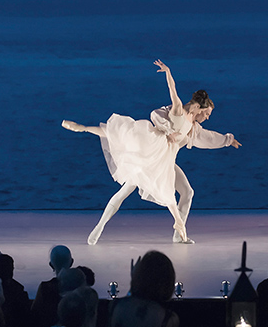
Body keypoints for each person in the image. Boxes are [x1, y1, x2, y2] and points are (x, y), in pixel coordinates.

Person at [62, 60, 240, 244]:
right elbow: (172, 91)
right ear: (197, 108)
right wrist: (168, 72)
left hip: (166, 163)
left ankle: (179, 235)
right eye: (207, 113)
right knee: (125, 186)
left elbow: (209, 137)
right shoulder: (178, 110)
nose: (207, 117)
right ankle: (99, 227)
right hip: (151, 156)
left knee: (187, 192)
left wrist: (228, 140)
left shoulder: (193, 127)